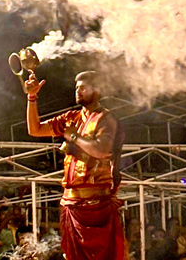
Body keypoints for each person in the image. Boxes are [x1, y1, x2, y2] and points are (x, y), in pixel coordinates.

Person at [25, 70, 125, 260]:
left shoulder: (106, 119)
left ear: (98, 90)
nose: (77, 91)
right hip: (71, 203)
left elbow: (101, 150)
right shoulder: (72, 117)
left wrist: (75, 138)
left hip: (96, 206)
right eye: (76, 88)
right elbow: (35, 129)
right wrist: (32, 97)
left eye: (83, 88)